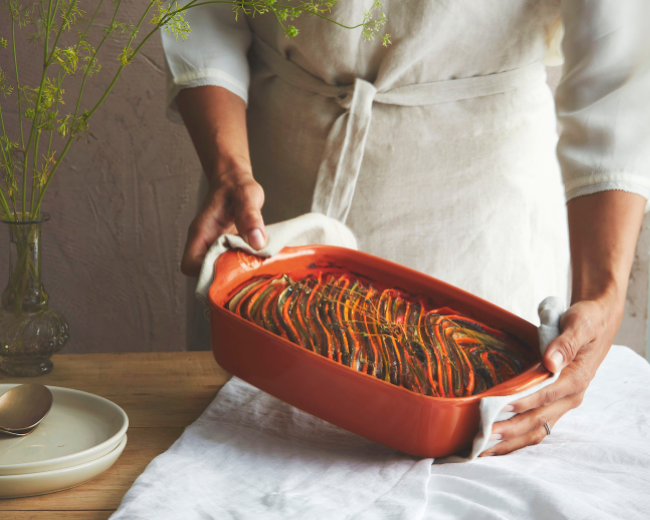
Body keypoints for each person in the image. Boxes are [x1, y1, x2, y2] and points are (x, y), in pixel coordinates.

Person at [161, 1, 650, 456]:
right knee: (242, 458)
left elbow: (617, 71)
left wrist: (604, 294)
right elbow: (200, 10)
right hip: (270, 206)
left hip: (486, 225)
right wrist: (228, 167)